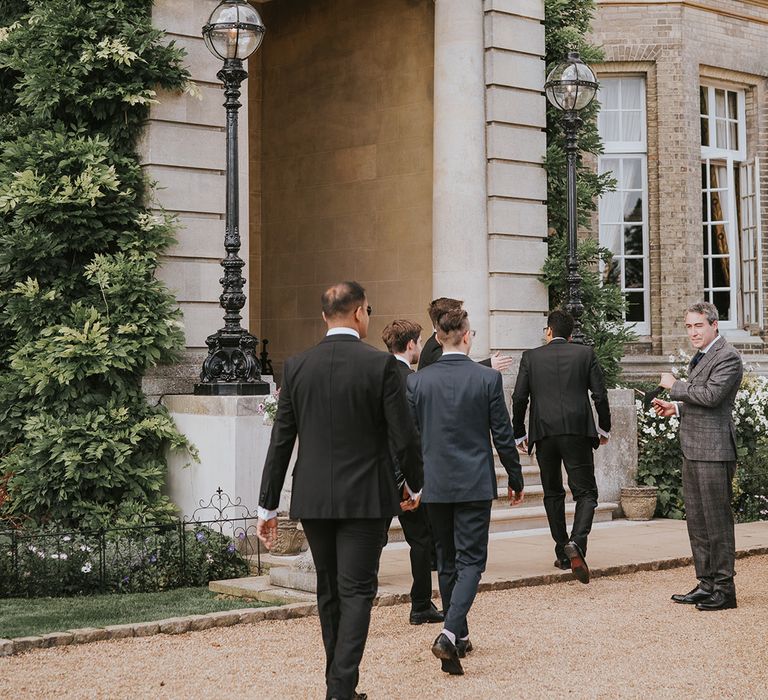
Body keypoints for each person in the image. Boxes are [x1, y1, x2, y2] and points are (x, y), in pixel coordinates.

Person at [256, 282, 423, 700]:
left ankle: (339, 686)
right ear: (359, 313)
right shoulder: (380, 367)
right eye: (368, 310)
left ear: (324, 316)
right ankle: (340, 690)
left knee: (330, 590)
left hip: (314, 497)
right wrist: (415, 485)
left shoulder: (297, 366)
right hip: (366, 498)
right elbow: (404, 437)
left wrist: (266, 505)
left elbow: (282, 441)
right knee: (357, 592)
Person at [407, 307, 524, 676]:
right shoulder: (487, 379)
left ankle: (458, 636)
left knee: (446, 559)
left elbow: (408, 441)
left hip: (436, 483)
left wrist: (410, 483)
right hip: (473, 481)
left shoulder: (418, 381)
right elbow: (502, 434)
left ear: (439, 338)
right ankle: (448, 632)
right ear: (466, 335)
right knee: (472, 561)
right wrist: (515, 475)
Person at [652, 301, 743, 611]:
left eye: (698, 325)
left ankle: (724, 589)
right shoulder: (702, 356)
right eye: (689, 326)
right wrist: (675, 408)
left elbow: (712, 396)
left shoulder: (727, 356)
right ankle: (706, 583)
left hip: (715, 451)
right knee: (698, 521)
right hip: (694, 448)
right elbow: (701, 402)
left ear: (714, 325)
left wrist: (675, 387)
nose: (692, 332)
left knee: (717, 521)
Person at [511, 309, 611, 583]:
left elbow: (519, 397)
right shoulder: (585, 354)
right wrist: (604, 427)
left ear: (549, 331)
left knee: (552, 493)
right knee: (586, 493)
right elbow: (600, 395)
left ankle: (563, 552)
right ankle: (577, 542)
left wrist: (518, 433)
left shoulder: (531, 357)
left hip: (544, 433)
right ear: (570, 334)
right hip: (577, 431)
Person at [380, 319, 444, 626]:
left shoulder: (374, 375)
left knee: (370, 541)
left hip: (375, 472)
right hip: (404, 475)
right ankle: (420, 604)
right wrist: (412, 481)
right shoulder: (412, 380)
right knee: (420, 540)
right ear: (409, 345)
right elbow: (413, 435)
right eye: (418, 342)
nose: (419, 347)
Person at [418, 297, 514, 371]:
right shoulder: (433, 347)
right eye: (457, 313)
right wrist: (489, 364)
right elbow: (458, 370)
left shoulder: (439, 341)